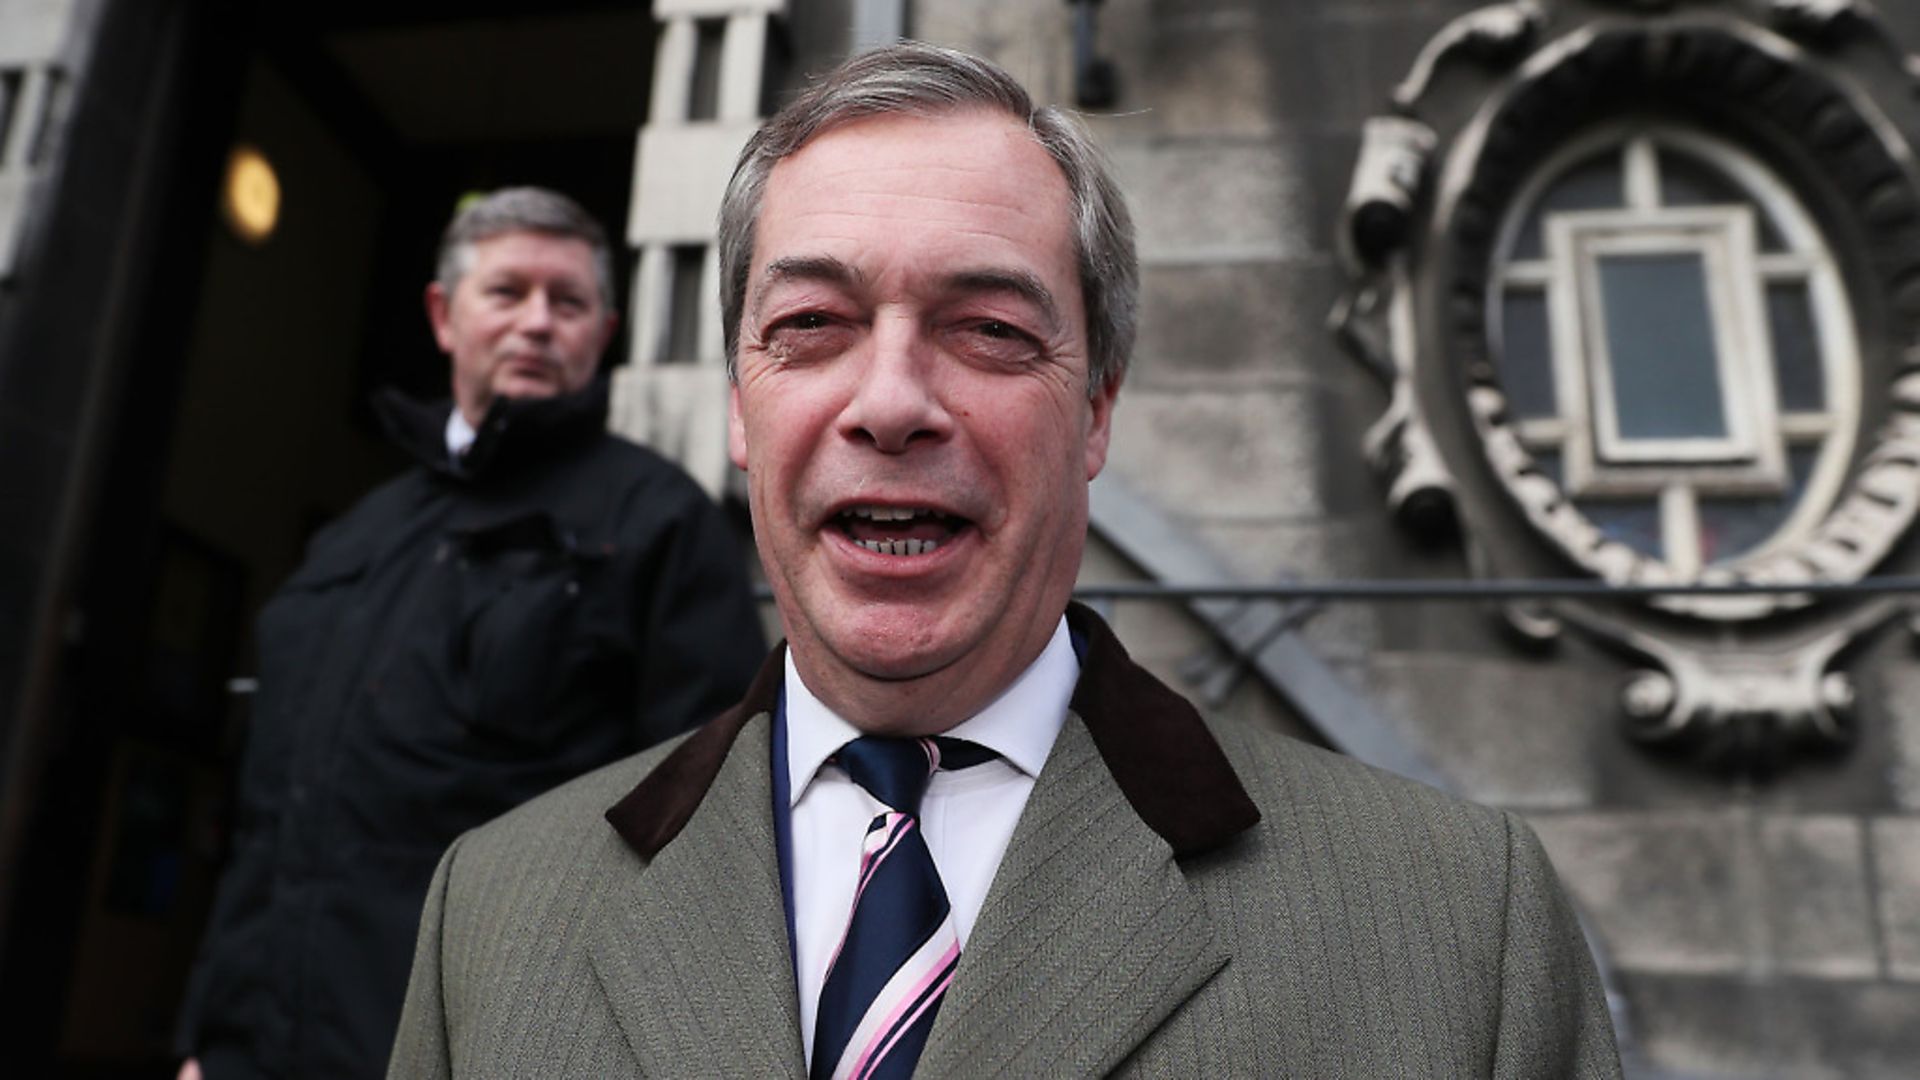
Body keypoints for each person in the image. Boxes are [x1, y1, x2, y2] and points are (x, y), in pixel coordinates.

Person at [387, 47, 1622, 1079]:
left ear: (1095, 412)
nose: (890, 402)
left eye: (987, 330)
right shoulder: (493, 917)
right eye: (811, 325)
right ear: (738, 410)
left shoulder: (1459, 924)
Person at [173, 187, 766, 1080]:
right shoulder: (354, 537)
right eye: (508, 293)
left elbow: (705, 833)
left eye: (567, 303)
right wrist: (208, 1038)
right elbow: (266, 825)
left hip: (486, 1047)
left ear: (602, 335)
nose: (537, 323)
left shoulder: (658, 523)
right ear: (445, 317)